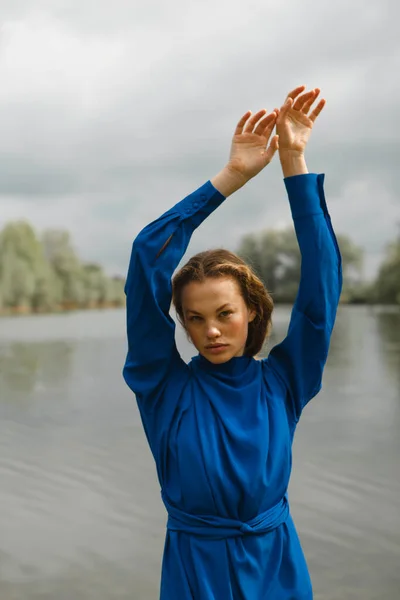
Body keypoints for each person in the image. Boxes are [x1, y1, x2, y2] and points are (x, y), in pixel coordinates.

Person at [123, 85, 342, 599]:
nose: (212, 330)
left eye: (225, 313)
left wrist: (295, 163)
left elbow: (322, 289)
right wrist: (231, 178)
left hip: (277, 567)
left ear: (252, 311)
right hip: (195, 572)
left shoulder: (285, 382)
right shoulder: (163, 388)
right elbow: (146, 255)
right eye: (195, 319)